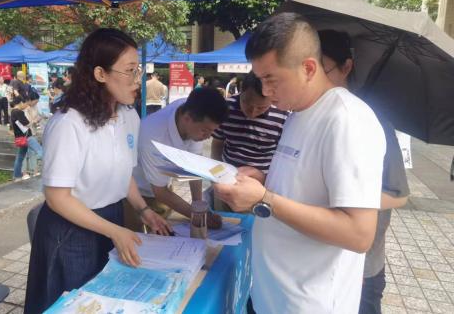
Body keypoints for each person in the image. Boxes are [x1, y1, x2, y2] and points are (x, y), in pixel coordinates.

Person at [214, 13, 385, 314]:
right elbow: (305, 185)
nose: (266, 91)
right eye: (260, 79)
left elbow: (359, 234)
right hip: (274, 296)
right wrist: (264, 179)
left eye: (271, 79)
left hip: (310, 303)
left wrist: (264, 199)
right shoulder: (297, 114)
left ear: (308, 68)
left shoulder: (347, 120)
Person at [25, 29, 172, 314]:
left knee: (105, 300)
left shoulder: (129, 116)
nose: (137, 80)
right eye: (130, 71)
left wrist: (144, 210)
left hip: (111, 219)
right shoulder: (69, 123)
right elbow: (57, 198)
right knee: (72, 304)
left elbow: (124, 174)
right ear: (100, 74)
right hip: (70, 230)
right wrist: (114, 231)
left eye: (138, 70)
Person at [317, 30, 409, 314]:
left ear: (346, 67)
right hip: (319, 263)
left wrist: (346, 200)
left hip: (362, 267)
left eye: (323, 69)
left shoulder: (372, 122)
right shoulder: (311, 115)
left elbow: (399, 195)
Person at [128, 87, 228, 232]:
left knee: (168, 233)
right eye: (205, 131)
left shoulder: (192, 111)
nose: (208, 137)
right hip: (137, 193)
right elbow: (160, 192)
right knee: (139, 238)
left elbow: (194, 166)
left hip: (163, 186)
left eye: (212, 131)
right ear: (187, 118)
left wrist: (199, 208)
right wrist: (196, 215)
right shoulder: (154, 136)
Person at [210, 72, 288, 211]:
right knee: (225, 219)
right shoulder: (225, 108)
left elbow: (283, 159)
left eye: (261, 107)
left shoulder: (282, 115)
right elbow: (217, 144)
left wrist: (263, 177)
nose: (252, 112)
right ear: (241, 90)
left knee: (257, 221)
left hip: (261, 186)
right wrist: (216, 175)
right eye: (247, 103)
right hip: (227, 182)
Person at [10, 94, 43, 180]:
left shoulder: (13, 112)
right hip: (27, 137)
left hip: (20, 138)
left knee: (20, 157)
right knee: (41, 151)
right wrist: (34, 120)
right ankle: (48, 170)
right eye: (26, 104)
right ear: (21, 102)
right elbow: (27, 124)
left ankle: (17, 176)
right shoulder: (19, 112)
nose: (26, 106)